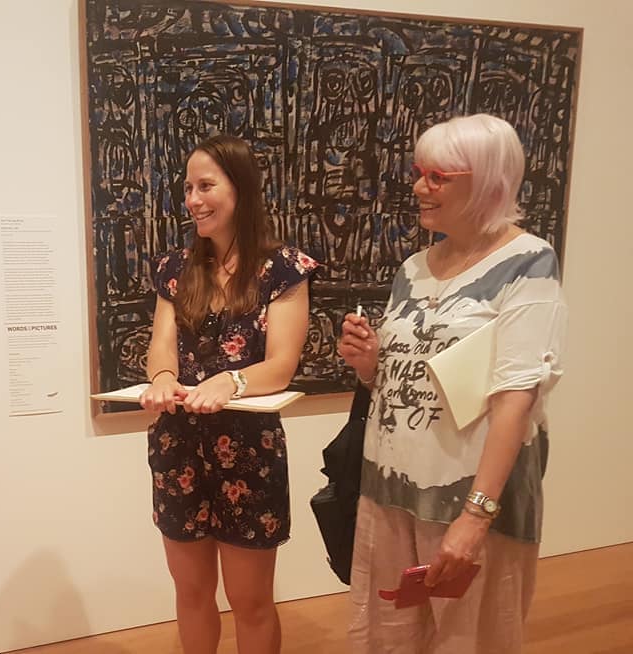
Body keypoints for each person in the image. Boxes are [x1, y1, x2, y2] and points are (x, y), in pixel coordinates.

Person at [339, 114, 567, 653]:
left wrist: (476, 515)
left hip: (466, 495)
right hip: (389, 488)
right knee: (388, 640)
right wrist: (370, 364)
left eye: (438, 177)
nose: (420, 187)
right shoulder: (413, 268)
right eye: (419, 173)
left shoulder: (528, 262)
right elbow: (406, 379)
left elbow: (517, 398)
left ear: (487, 181)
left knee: (471, 640)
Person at [139, 134, 317, 653]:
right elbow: (161, 347)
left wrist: (231, 381)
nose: (193, 200)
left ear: (240, 189)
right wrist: (162, 378)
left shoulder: (282, 268)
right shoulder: (175, 269)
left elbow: (281, 365)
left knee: (250, 601)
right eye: (188, 188)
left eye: (206, 186)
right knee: (191, 592)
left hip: (248, 451)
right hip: (178, 446)